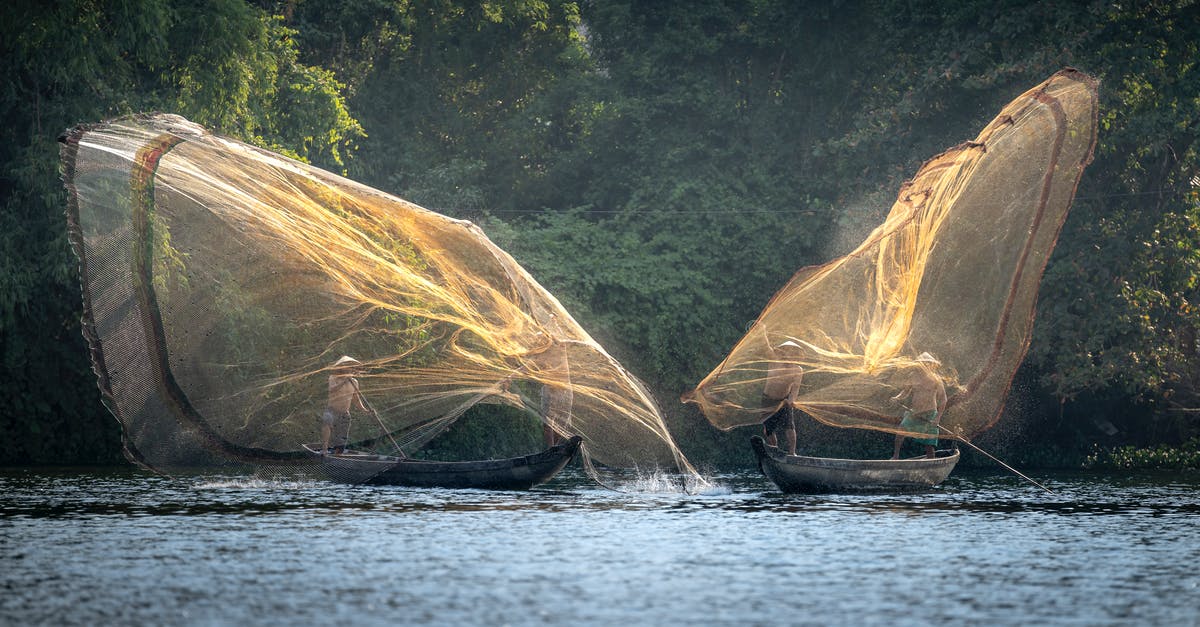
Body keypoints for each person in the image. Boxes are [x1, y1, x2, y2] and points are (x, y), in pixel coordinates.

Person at [890, 352, 947, 459]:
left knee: (929, 444)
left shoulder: (936, 379)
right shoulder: (913, 376)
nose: (925, 365)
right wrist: (897, 398)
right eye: (923, 363)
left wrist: (937, 418)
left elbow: (943, 399)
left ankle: (932, 466)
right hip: (914, 413)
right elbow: (905, 392)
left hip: (930, 414)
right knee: (900, 433)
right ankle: (895, 456)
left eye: (927, 363)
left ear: (931, 364)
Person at [762, 340, 804, 456]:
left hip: (784, 401)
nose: (789, 354)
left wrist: (790, 401)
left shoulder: (798, 370)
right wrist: (762, 331)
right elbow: (766, 346)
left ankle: (792, 453)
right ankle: (775, 450)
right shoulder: (774, 360)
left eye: (792, 352)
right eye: (786, 351)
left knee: (789, 426)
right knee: (768, 429)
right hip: (768, 400)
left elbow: (795, 389)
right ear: (782, 352)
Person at [321, 355, 369, 454]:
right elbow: (332, 389)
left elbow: (356, 399)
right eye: (347, 366)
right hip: (332, 410)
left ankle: (338, 454)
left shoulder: (355, 382)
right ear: (342, 368)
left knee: (342, 438)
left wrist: (365, 410)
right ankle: (324, 449)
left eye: (351, 367)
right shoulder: (333, 378)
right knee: (327, 420)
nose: (349, 369)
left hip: (344, 413)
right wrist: (345, 379)